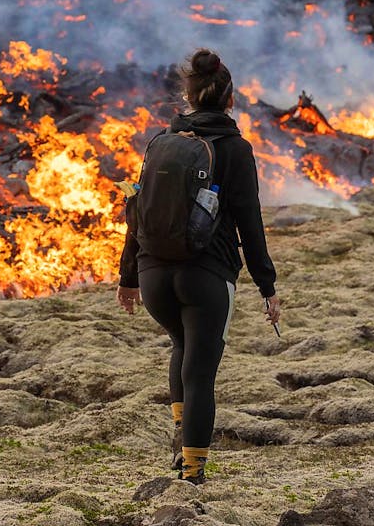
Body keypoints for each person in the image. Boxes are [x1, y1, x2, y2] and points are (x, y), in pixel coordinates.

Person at [116, 48, 281, 485]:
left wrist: (128, 277)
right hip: (206, 277)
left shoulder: (162, 143)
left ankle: (179, 435)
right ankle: (191, 475)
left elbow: (138, 208)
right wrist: (267, 285)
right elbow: (249, 220)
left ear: (187, 97)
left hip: (154, 277)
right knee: (201, 373)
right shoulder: (236, 149)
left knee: (181, 346)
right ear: (230, 99)